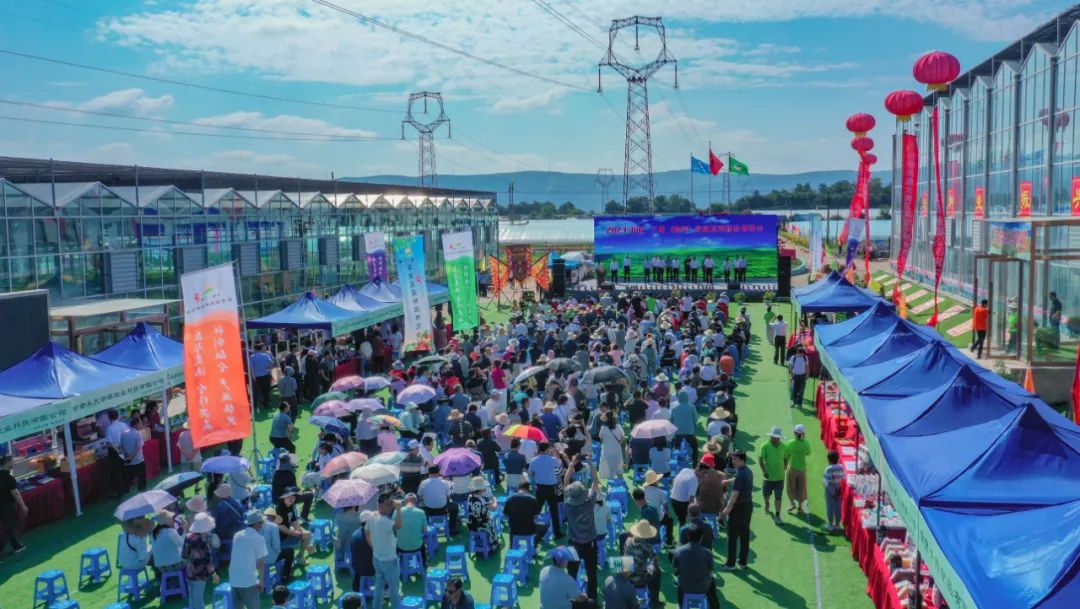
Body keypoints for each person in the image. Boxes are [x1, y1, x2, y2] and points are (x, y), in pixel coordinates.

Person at [563, 456, 601, 600]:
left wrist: (571, 465)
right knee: (592, 573)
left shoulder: (568, 504)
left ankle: (573, 599)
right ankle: (592, 600)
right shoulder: (589, 503)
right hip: (590, 544)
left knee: (572, 573)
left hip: (573, 544)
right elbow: (596, 481)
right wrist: (590, 463)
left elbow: (565, 482)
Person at [367, 493, 404, 609]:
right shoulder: (385, 522)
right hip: (389, 560)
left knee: (378, 587)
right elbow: (399, 525)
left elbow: (367, 532)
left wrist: (374, 547)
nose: (390, 506)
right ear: (381, 505)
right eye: (388, 504)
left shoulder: (371, 516)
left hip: (377, 558)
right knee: (394, 589)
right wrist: (398, 509)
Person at [721, 450, 753, 569]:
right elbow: (738, 479)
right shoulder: (747, 470)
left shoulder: (740, 474)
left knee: (732, 535)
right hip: (747, 506)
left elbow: (734, 494)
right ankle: (743, 562)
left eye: (736, 459)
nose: (733, 461)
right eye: (732, 459)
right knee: (744, 534)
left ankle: (730, 563)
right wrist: (727, 481)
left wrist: (727, 510)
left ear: (742, 460)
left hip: (738, 508)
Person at [229, 511, 268, 609]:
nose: (263, 524)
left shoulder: (237, 535)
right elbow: (261, 564)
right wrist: (261, 581)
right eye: (262, 522)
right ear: (257, 524)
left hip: (233, 578)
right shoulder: (259, 539)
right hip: (248, 580)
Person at [673, 526, 718, 609]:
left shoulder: (678, 551)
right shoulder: (707, 552)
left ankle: (681, 605)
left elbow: (675, 571)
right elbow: (710, 571)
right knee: (712, 584)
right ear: (701, 538)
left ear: (688, 536)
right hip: (703, 587)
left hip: (685, 586)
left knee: (679, 582)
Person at [184, 512, 220, 609]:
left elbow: (184, 555)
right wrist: (214, 575)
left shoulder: (187, 537)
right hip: (200, 575)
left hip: (189, 572)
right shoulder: (203, 542)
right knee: (199, 599)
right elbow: (207, 561)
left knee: (192, 598)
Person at [528, 441, 563, 538]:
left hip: (540, 488)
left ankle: (531, 530)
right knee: (554, 512)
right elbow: (559, 465)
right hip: (551, 489)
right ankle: (557, 533)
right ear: (548, 449)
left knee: (536, 511)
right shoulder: (553, 460)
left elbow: (530, 474)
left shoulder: (534, 460)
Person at [624, 520, 661, 608]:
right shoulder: (647, 547)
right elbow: (655, 561)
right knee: (657, 573)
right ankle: (654, 601)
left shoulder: (627, 541)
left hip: (627, 576)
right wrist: (651, 567)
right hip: (640, 579)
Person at [418, 465, 460, 536]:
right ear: (438, 472)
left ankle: (423, 529)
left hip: (428, 510)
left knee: (419, 507)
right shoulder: (444, 483)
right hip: (442, 509)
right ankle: (452, 529)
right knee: (455, 506)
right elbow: (448, 497)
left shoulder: (423, 483)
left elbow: (419, 496)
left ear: (428, 472)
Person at [759, 426, 787, 523]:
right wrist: (765, 472)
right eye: (775, 437)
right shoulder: (765, 446)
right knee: (766, 495)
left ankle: (777, 515)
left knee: (778, 497)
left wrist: (784, 468)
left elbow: (785, 459)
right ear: (771, 436)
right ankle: (767, 504)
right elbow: (760, 460)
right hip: (768, 478)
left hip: (780, 477)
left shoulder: (784, 446)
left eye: (778, 437)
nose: (777, 439)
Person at [0, 455, 27, 555]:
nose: (14, 463)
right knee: (10, 527)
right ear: (7, 463)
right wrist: (23, 506)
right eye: (12, 461)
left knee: (8, 526)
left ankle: (16, 546)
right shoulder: (9, 478)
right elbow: (15, 493)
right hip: (7, 506)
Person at [465, 477, 500, 551]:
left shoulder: (470, 496)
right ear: (481, 489)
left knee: (487, 516)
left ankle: (478, 539)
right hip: (482, 524)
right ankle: (494, 544)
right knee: (490, 520)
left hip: (471, 523)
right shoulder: (484, 499)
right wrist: (495, 500)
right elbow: (494, 508)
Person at [505, 481, 545, 546]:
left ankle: (512, 546)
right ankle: (534, 544)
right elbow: (536, 516)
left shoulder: (509, 498)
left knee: (512, 528)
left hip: (514, 529)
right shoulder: (533, 499)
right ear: (528, 489)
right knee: (544, 526)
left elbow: (506, 514)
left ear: (518, 488)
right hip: (529, 529)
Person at [786, 424, 811, 514]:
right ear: (803, 433)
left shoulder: (790, 442)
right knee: (802, 489)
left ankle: (792, 504)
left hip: (792, 468)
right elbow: (808, 453)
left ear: (794, 433)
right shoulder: (806, 443)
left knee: (790, 487)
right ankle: (800, 507)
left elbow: (787, 454)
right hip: (802, 469)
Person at [397, 494, 427, 566]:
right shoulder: (421, 512)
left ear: (405, 501)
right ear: (415, 502)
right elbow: (425, 531)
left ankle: (399, 563)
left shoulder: (397, 511)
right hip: (417, 547)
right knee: (423, 543)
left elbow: (393, 529)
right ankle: (423, 563)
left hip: (401, 547)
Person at [120, 415, 148, 493]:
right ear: (136, 424)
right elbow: (138, 447)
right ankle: (143, 491)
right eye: (140, 423)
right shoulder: (138, 434)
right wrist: (132, 456)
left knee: (128, 478)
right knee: (141, 477)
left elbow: (121, 447)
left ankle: (125, 491)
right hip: (138, 460)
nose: (141, 425)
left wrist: (127, 456)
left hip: (127, 460)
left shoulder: (123, 434)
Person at [349, 511, 376, 592]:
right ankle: (386, 588)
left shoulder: (355, 534)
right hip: (372, 569)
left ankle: (356, 588)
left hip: (357, 568)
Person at [597, 412, 625, 480]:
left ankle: (612, 481)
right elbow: (622, 437)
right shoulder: (618, 426)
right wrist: (619, 442)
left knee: (610, 470)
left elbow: (601, 439)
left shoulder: (603, 428)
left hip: (607, 451)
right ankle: (621, 482)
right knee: (619, 470)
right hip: (617, 451)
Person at [823, 450, 845, 532]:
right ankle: (837, 524)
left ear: (829, 460)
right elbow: (843, 477)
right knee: (838, 507)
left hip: (830, 490)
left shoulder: (828, 469)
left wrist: (831, 492)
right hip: (838, 489)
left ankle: (830, 524)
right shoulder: (841, 467)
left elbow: (826, 481)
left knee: (830, 507)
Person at [249, 343, 275, 411]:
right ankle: (265, 404)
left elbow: (251, 368)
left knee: (255, 391)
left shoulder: (252, 356)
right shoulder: (265, 355)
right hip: (266, 375)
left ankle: (255, 405)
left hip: (257, 377)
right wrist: (268, 369)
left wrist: (253, 376)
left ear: (255, 349)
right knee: (266, 390)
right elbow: (272, 364)